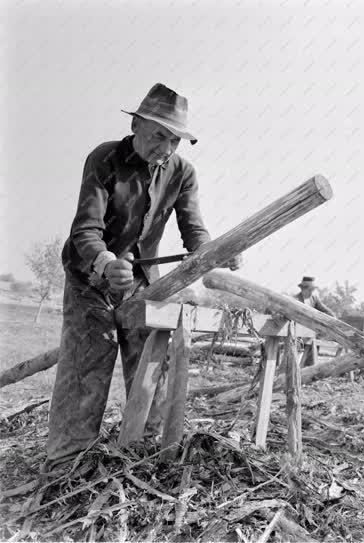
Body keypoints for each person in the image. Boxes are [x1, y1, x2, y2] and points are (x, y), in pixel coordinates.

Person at [46, 83, 241, 470]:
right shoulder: (104, 159)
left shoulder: (182, 172)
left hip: (139, 280)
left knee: (151, 363)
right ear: (136, 124)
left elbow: (193, 230)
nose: (166, 149)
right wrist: (104, 263)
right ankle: (66, 465)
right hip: (90, 279)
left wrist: (217, 252)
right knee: (89, 363)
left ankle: (144, 454)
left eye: (175, 141)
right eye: (158, 136)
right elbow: (85, 229)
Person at [294, 277, 335, 366]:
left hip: (311, 334)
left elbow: (326, 310)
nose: (311, 291)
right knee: (296, 359)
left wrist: (333, 319)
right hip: (298, 335)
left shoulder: (314, 298)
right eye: (310, 289)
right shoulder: (296, 299)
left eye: (312, 289)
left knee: (310, 361)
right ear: (303, 289)